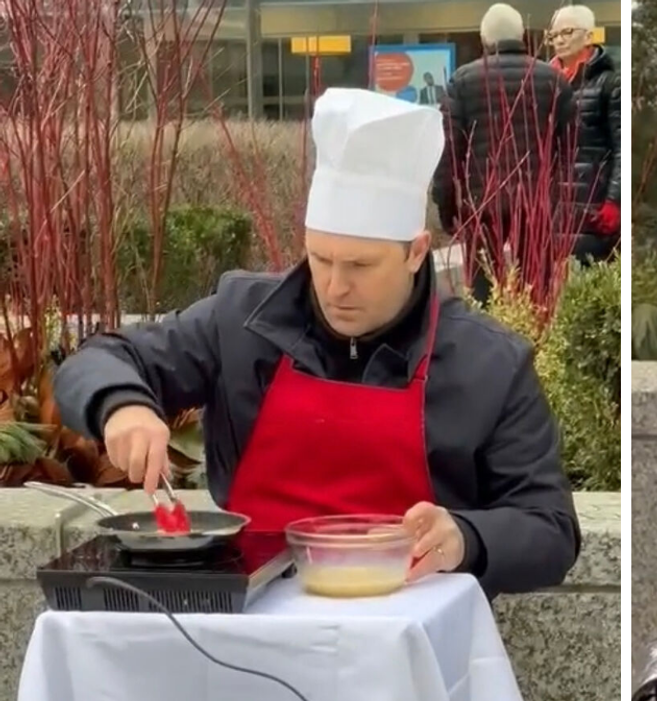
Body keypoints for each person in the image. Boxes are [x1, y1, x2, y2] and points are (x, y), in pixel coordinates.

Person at [52, 88, 581, 598]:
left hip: (409, 638)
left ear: (417, 252)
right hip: (245, 620)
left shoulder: (489, 362)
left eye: (360, 266)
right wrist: (121, 406)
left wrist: (465, 536)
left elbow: (551, 528)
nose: (334, 287)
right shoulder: (241, 319)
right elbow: (100, 358)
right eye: (321, 259)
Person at [431, 3, 576, 306]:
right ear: (521, 36)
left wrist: (447, 208)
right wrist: (559, 202)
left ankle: (488, 349)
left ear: (485, 40)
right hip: (537, 206)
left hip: (483, 205)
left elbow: (448, 151)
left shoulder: (463, 80)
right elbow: (569, 148)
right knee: (537, 295)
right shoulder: (554, 80)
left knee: (483, 297)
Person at [549, 4, 621, 265]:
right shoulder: (546, 83)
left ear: (589, 36)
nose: (559, 39)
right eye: (554, 34)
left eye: (567, 32)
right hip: (553, 213)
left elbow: (622, 148)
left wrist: (614, 201)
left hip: (594, 209)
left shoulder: (610, 84)